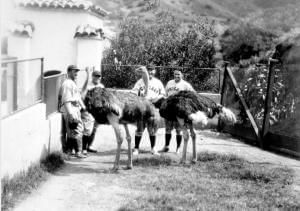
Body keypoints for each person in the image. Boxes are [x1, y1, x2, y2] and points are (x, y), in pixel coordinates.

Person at [131, 64, 166, 155]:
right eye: (148, 70)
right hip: (142, 107)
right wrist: (139, 96)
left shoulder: (158, 82)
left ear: (155, 71)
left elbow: (163, 94)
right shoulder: (140, 82)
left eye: (152, 70)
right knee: (139, 129)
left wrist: (156, 98)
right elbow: (133, 93)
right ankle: (136, 148)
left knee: (153, 129)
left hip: (153, 107)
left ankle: (153, 148)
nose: (150, 72)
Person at [160, 69, 195, 153]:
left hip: (179, 110)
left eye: (178, 75)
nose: (176, 76)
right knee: (167, 129)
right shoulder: (169, 83)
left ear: (182, 75)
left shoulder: (186, 85)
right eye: (175, 74)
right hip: (169, 109)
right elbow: (165, 94)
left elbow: (193, 94)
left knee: (178, 130)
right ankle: (166, 146)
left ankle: (178, 148)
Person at [58, 65, 87, 158]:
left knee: (72, 131)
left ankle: (70, 151)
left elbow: (77, 97)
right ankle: (78, 152)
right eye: (74, 71)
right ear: (69, 72)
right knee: (77, 130)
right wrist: (70, 114)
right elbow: (66, 100)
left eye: (77, 71)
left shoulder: (72, 83)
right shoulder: (67, 84)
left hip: (74, 109)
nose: (76, 73)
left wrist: (83, 107)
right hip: (70, 109)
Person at [81, 69, 105, 155]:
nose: (97, 78)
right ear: (92, 77)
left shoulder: (101, 86)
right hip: (89, 110)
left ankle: (89, 146)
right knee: (88, 129)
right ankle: (83, 149)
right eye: (95, 76)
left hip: (98, 111)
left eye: (99, 76)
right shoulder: (88, 86)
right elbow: (83, 98)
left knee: (94, 129)